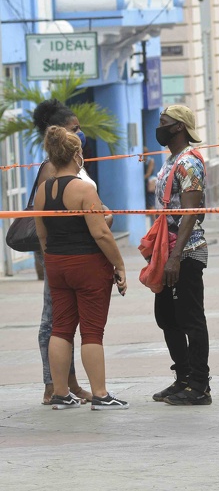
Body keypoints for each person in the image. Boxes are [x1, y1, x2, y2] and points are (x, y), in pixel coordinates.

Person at [34, 126, 128, 410]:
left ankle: (60, 393)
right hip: (87, 265)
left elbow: (41, 234)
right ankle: (100, 394)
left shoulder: (42, 191)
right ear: (77, 155)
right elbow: (101, 233)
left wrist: (53, 257)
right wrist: (119, 264)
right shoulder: (85, 190)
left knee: (60, 328)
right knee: (91, 331)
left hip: (56, 263)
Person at [150, 105, 213, 406]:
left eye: (164, 122)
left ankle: (200, 385)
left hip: (186, 252)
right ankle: (183, 378)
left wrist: (175, 257)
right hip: (167, 252)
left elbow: (190, 213)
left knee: (191, 318)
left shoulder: (189, 163)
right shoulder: (171, 161)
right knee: (167, 318)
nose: (159, 127)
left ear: (179, 128)